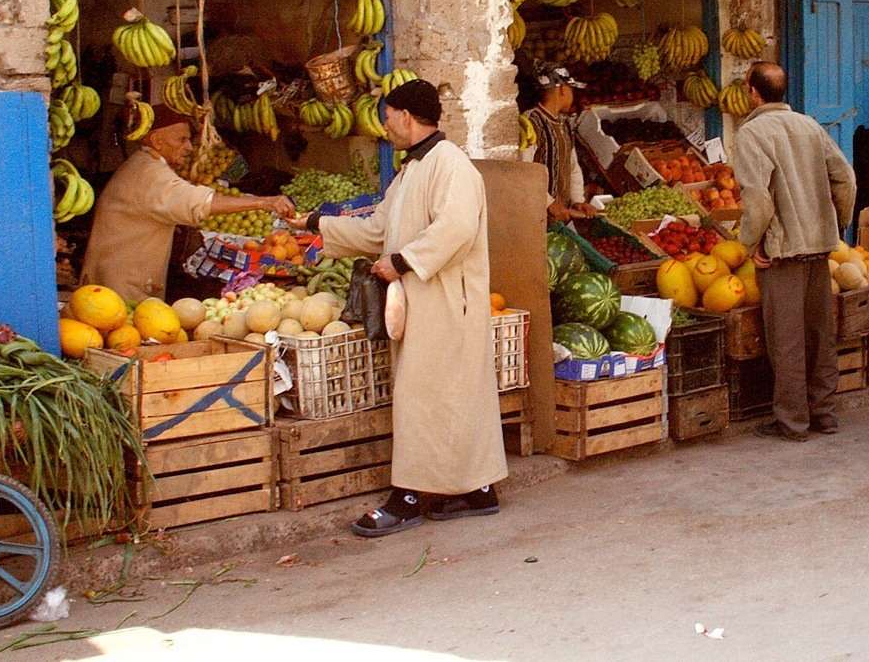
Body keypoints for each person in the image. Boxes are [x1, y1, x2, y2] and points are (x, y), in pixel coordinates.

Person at [285, 79, 506, 536]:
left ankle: (407, 496)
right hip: (424, 300)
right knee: (450, 395)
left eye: (387, 117)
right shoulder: (410, 172)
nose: (385, 127)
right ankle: (476, 490)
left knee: (424, 395)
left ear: (406, 116)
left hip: (447, 302)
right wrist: (314, 224)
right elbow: (376, 230)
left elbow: (457, 228)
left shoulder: (452, 165)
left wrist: (402, 261)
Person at [732, 62, 856, 442]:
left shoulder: (750, 134)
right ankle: (825, 413)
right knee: (820, 335)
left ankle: (792, 422)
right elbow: (845, 178)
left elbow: (758, 201)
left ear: (753, 92)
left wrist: (750, 244)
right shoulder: (810, 126)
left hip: (782, 253)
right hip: (818, 248)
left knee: (785, 341)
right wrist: (838, 224)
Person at [81, 106, 295, 303]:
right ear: (156, 141)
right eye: (181, 140)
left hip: (113, 277)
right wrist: (262, 202)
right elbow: (197, 203)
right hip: (119, 287)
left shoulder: (142, 164)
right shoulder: (150, 173)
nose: (189, 147)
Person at [522, 65, 596, 223]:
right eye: (571, 90)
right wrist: (550, 204)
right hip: (535, 217)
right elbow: (524, 171)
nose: (573, 96)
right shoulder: (531, 122)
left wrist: (577, 200)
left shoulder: (565, 123)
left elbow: (572, 166)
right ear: (562, 90)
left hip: (560, 218)